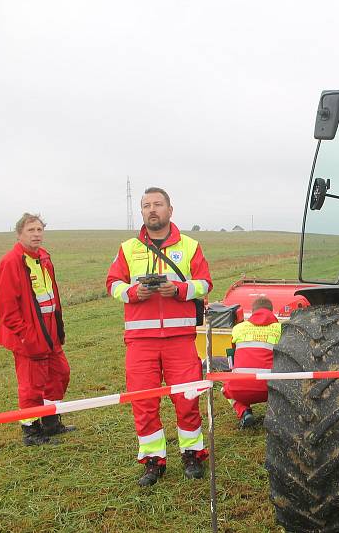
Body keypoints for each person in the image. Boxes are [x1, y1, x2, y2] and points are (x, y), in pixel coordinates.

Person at [106, 187, 213, 487]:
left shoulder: (191, 246)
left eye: (157, 204)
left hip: (180, 339)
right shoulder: (127, 248)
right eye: (146, 206)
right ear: (141, 212)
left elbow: (205, 283)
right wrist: (132, 293)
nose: (152, 210)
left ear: (169, 210)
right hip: (140, 341)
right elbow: (112, 284)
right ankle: (153, 460)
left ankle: (192, 454)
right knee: (144, 402)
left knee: (187, 399)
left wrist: (179, 290)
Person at [0, 213, 75, 446]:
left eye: (39, 229)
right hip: (29, 334)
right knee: (31, 385)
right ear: (19, 233)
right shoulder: (11, 262)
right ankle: (31, 430)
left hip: (49, 329)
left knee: (59, 374)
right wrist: (26, 336)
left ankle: (50, 420)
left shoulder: (43, 258)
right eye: (31, 230)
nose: (36, 234)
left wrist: (57, 328)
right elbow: (7, 309)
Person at [223, 296, 281, 429]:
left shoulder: (238, 328)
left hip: (239, 389)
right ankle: (275, 413)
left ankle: (244, 411)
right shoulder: (281, 329)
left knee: (224, 386)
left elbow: (233, 355)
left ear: (253, 311)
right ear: (271, 311)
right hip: (270, 389)